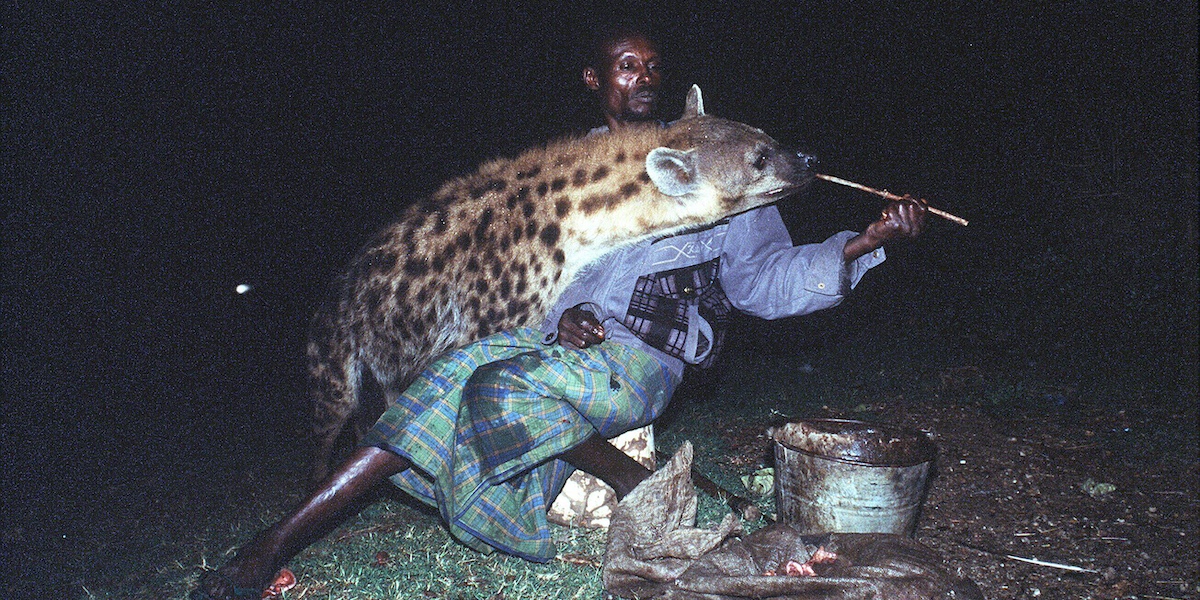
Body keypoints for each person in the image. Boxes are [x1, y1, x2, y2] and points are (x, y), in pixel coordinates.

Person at [192, 26, 926, 599]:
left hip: (642, 362)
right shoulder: (572, 170)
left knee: (490, 390)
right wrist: (559, 317)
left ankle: (277, 542)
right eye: (626, 66)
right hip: (563, 356)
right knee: (448, 388)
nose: (644, 78)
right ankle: (553, 498)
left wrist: (863, 243)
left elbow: (766, 283)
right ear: (595, 79)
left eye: (652, 66)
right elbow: (519, 286)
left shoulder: (715, 166)